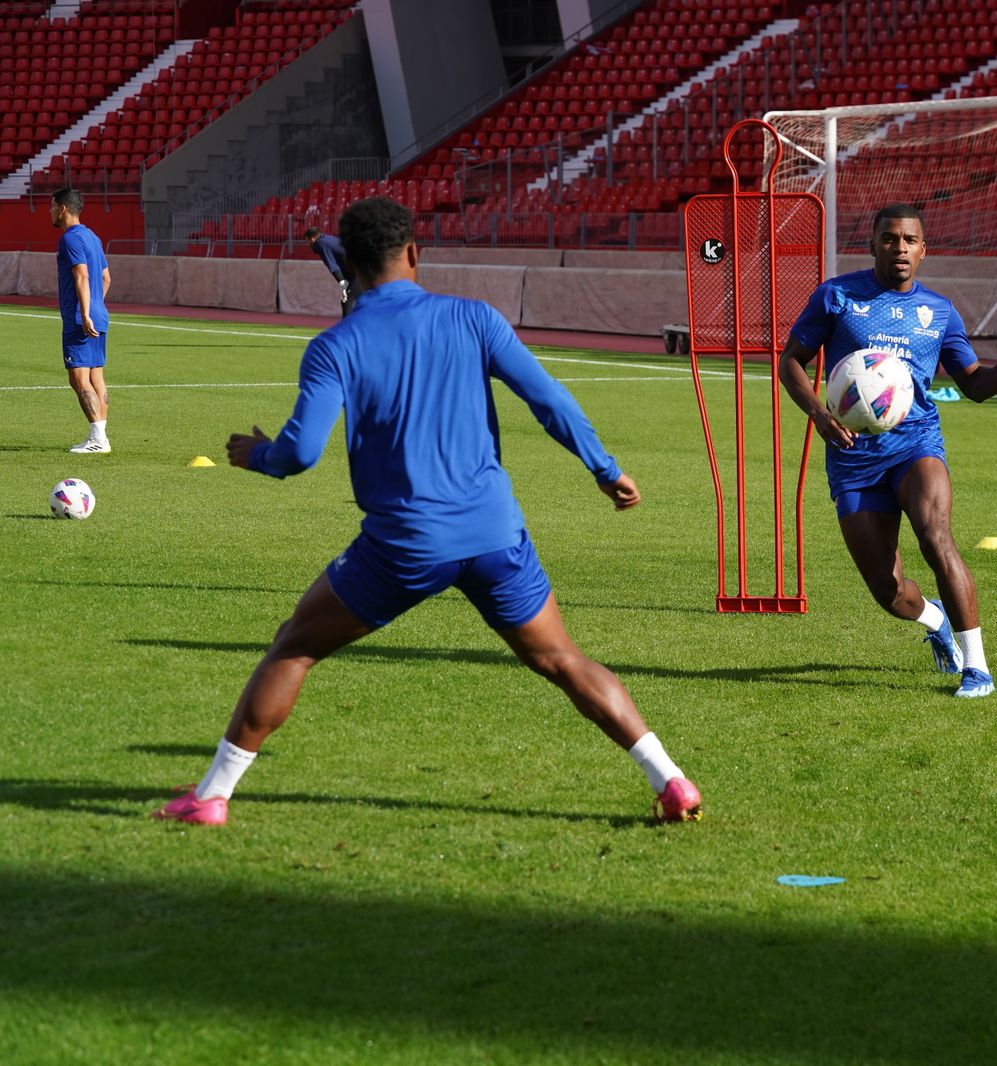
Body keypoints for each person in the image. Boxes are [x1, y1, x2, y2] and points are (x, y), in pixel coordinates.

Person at [156, 197, 701, 826]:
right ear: (414, 253)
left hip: (405, 545)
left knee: (293, 649)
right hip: (495, 534)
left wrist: (257, 455)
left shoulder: (335, 346)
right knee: (563, 660)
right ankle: (672, 782)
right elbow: (547, 398)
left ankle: (211, 797)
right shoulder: (475, 318)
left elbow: (300, 454)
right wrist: (606, 470)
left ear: (350, 267)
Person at [777, 203, 997, 699]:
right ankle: (935, 619)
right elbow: (792, 360)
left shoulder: (939, 312)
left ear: (923, 250)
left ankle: (977, 668)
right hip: (853, 455)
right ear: (873, 244)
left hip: (915, 444)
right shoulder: (836, 296)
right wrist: (817, 412)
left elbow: (975, 386)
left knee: (935, 536)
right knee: (889, 593)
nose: (899, 248)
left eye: (909, 240)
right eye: (890, 238)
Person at [52, 187, 112, 453]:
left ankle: (98, 439)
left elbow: (82, 276)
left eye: (52, 207)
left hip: (80, 319)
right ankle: (100, 436)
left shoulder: (71, 239)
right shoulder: (93, 237)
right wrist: (96, 307)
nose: (50, 212)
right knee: (96, 377)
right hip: (98, 315)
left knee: (78, 379)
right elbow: (106, 278)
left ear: (63, 208)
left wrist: (85, 313)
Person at [305, 225, 354, 316]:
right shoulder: (327, 238)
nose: (307, 244)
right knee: (348, 300)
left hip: (359, 270)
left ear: (312, 239)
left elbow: (333, 266)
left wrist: (342, 284)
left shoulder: (320, 244)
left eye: (307, 241)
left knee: (348, 300)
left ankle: (347, 327)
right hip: (356, 269)